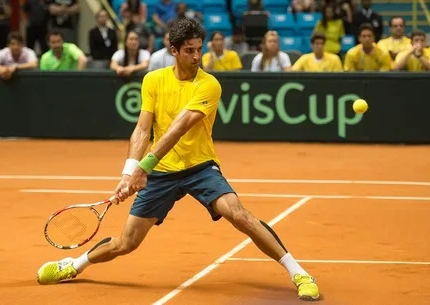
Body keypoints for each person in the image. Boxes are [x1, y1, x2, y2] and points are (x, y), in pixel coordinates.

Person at [36, 18, 319, 301]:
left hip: (200, 167)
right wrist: (129, 172)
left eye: (199, 49)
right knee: (127, 242)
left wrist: (142, 168)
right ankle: (72, 266)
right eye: (189, 51)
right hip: (161, 172)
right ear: (173, 50)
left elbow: (178, 128)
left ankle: (299, 274)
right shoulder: (153, 80)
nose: (197, 57)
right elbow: (142, 129)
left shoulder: (209, 85)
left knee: (238, 214)